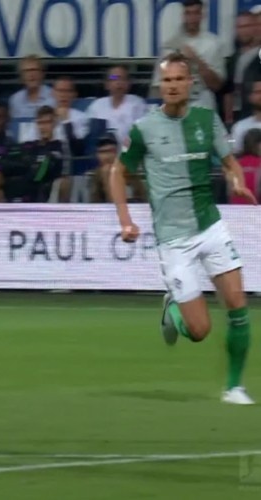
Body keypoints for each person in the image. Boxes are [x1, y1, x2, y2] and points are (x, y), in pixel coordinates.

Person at [110, 52, 257, 405]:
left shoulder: (207, 120)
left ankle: (234, 387)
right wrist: (125, 220)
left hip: (210, 226)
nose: (173, 86)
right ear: (160, 85)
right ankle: (172, 309)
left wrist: (236, 181)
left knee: (238, 305)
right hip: (173, 238)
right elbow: (117, 172)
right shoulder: (144, 128)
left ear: (191, 83)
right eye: (167, 80)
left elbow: (230, 162)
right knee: (200, 330)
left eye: (179, 79)